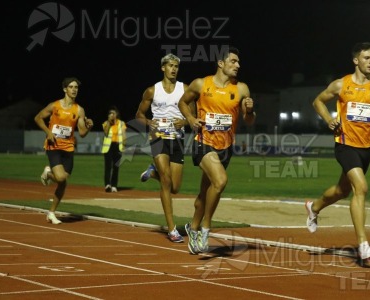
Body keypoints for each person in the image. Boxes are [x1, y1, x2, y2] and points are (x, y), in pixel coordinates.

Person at [307, 42, 370, 261]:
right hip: (345, 144)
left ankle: (314, 207)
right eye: (367, 58)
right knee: (362, 188)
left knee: (342, 190)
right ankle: (363, 244)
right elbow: (317, 101)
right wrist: (329, 119)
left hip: (367, 147)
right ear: (356, 60)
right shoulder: (341, 85)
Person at [178, 46, 256, 254]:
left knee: (205, 193)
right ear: (221, 63)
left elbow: (249, 121)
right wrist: (192, 119)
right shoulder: (201, 84)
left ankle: (192, 227)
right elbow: (183, 103)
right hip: (204, 141)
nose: (237, 65)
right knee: (220, 181)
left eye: (238, 62)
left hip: (226, 146)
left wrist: (249, 110)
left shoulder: (241, 89)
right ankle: (205, 228)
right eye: (233, 61)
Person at [136, 53, 194, 243]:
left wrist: (184, 121)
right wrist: (148, 122)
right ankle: (172, 229)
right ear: (163, 68)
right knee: (166, 182)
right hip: (158, 137)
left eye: (176, 66)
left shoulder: (185, 89)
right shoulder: (152, 91)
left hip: (177, 140)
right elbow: (139, 115)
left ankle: (153, 172)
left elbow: (194, 117)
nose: (174, 69)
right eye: (170, 65)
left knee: (175, 187)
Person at [34, 77, 94, 224]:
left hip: (68, 148)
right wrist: (48, 132)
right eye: (71, 87)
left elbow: (82, 133)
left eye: (76, 88)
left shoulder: (79, 110)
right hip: (53, 146)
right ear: (64, 89)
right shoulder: (54, 106)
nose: (74, 90)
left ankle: (51, 213)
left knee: (63, 182)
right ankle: (49, 172)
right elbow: (38, 118)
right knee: (60, 178)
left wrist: (89, 126)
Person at [102, 106, 127, 193]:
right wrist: (109, 122)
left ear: (117, 114)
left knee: (116, 167)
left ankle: (114, 186)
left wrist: (124, 145)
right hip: (108, 147)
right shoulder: (106, 123)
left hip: (118, 147)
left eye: (113, 113)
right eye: (110, 113)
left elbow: (124, 135)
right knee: (108, 167)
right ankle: (107, 184)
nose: (111, 115)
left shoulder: (121, 123)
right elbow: (105, 133)